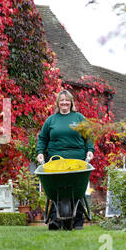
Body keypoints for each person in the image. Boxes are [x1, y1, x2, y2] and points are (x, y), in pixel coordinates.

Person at [36, 90, 94, 230]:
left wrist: (90, 151)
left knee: (77, 190)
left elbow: (89, 136)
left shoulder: (79, 118)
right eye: (61, 100)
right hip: (56, 161)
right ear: (58, 103)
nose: (64, 103)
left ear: (71, 102)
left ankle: (78, 219)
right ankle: (55, 219)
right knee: (57, 190)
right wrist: (40, 153)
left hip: (77, 160)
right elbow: (43, 138)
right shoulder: (51, 120)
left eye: (67, 100)